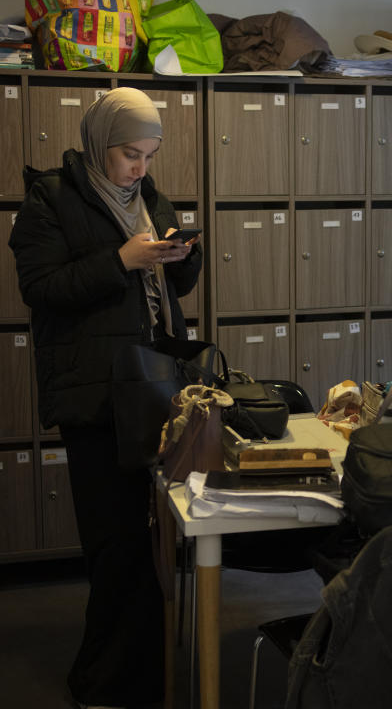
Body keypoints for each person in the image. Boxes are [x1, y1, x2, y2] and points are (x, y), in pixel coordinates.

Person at [9, 87, 201, 708]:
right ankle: (105, 682)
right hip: (94, 396)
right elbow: (41, 288)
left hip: (153, 390)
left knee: (147, 544)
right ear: (98, 144)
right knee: (115, 545)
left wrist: (180, 256)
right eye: (129, 154)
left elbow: (178, 288)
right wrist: (122, 257)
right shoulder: (51, 198)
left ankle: (133, 676)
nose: (140, 168)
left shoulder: (146, 197)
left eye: (149, 154)